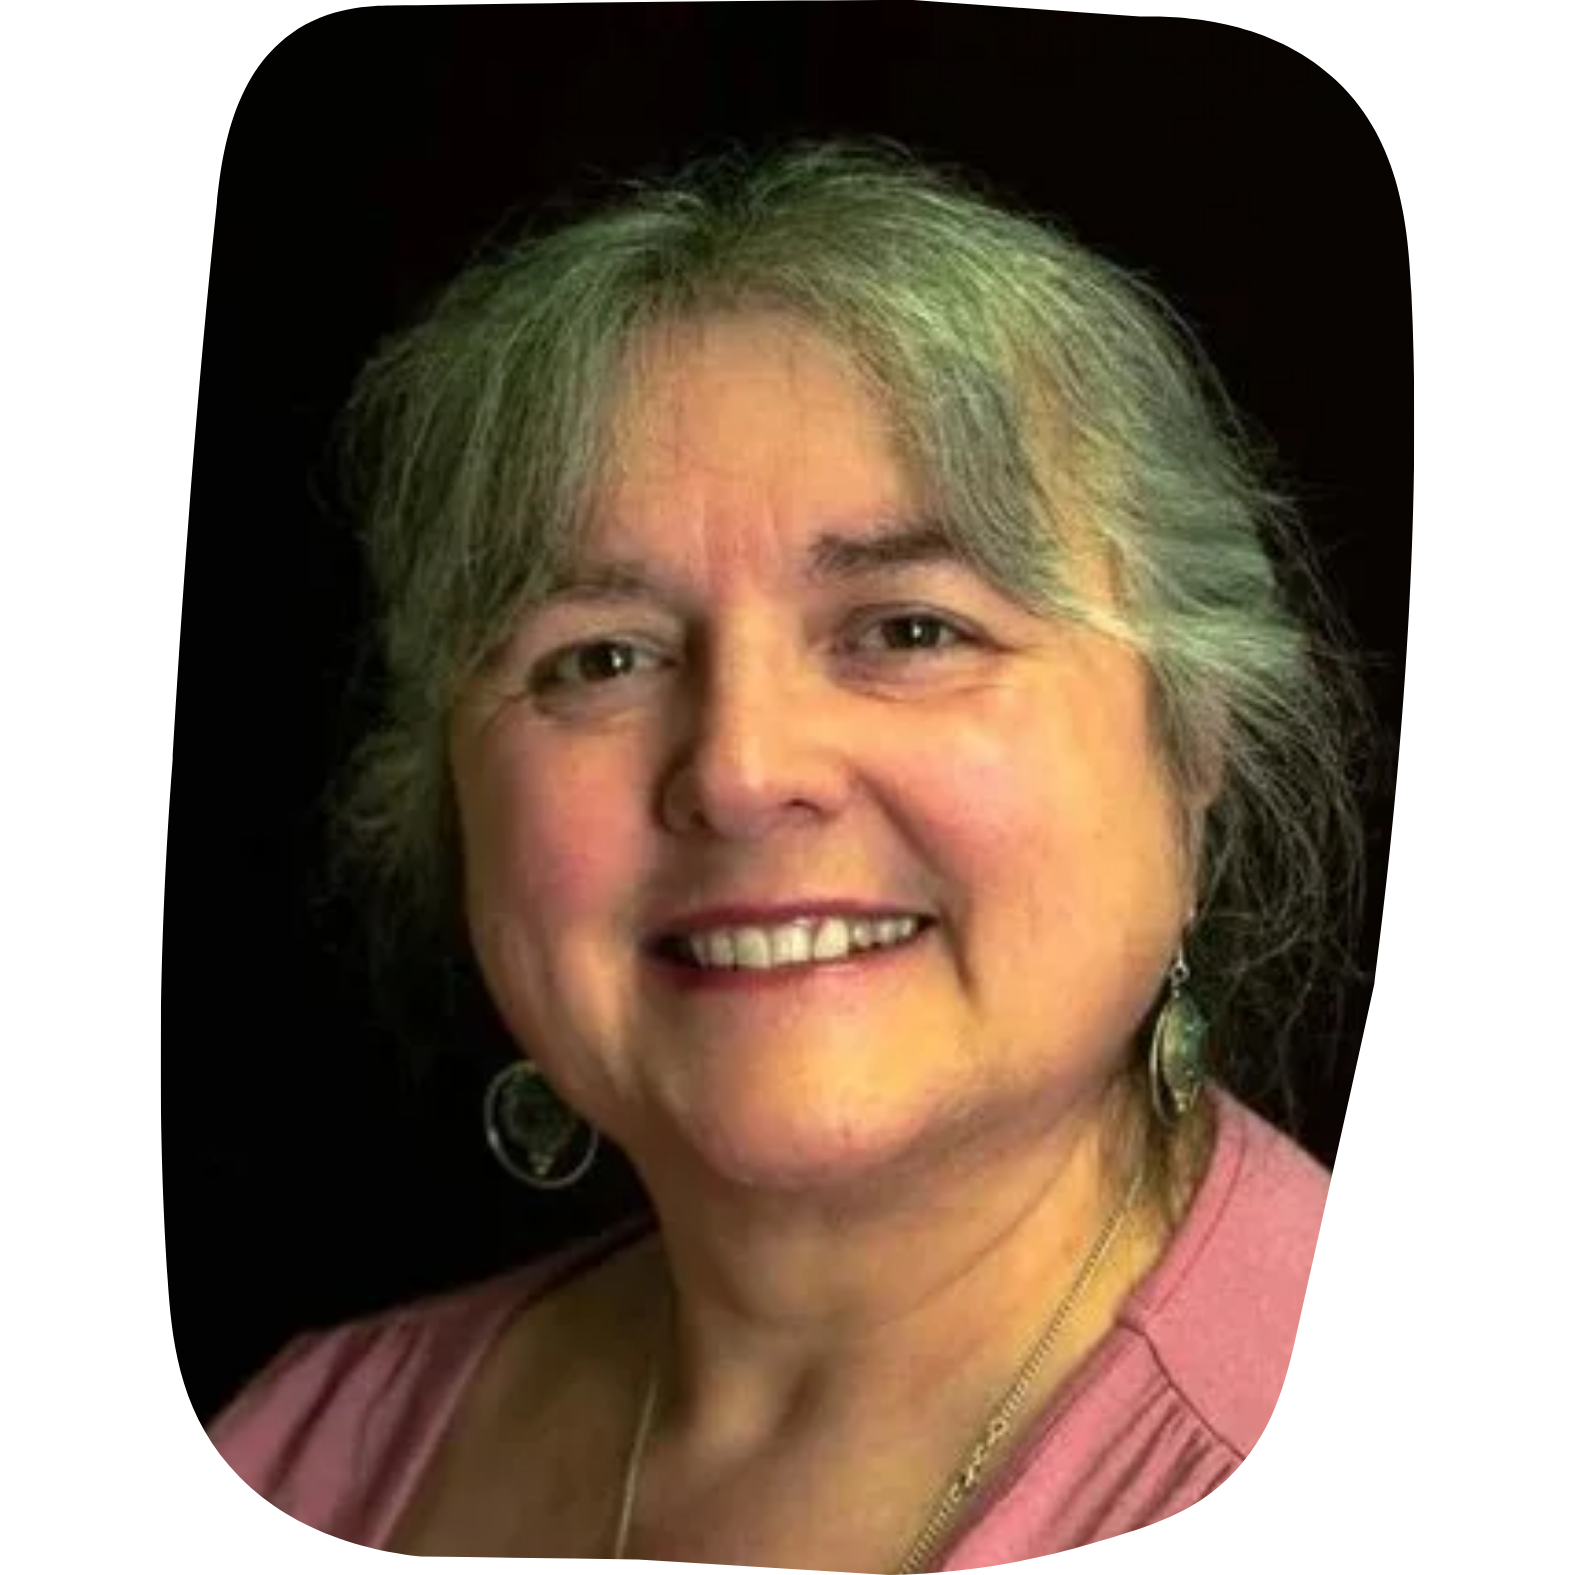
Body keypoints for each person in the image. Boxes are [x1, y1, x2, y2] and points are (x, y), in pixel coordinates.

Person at [205, 139, 1381, 1564]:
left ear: (1192, 738)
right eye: (600, 656)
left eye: (910, 629)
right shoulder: (299, 1449)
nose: (741, 771)